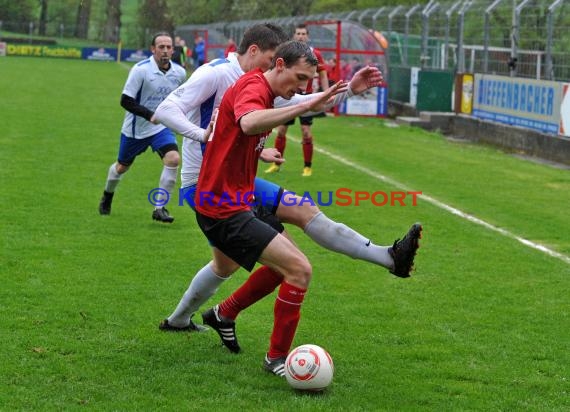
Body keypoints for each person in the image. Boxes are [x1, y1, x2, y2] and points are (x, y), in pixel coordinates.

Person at [153, 24, 421, 339]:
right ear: (254, 51)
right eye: (270, 59)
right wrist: (205, 137)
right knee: (227, 266)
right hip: (205, 184)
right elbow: (165, 110)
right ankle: (195, 317)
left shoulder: (263, 83)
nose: (274, 66)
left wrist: (347, 89)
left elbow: (301, 102)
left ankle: (388, 256)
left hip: (239, 182)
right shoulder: (217, 74)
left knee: (302, 212)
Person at [98, 32, 187, 223]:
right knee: (121, 167)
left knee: (173, 158)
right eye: (161, 47)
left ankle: (160, 208)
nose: (165, 50)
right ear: (153, 49)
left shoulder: (179, 73)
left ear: (173, 50)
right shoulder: (140, 70)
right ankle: (108, 194)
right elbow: (125, 100)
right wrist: (150, 115)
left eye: (168, 47)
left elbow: (181, 99)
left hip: (161, 129)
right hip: (135, 130)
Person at [265, 23, 329, 177]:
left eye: (303, 34)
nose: (301, 36)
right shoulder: (289, 53)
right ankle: (276, 163)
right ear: (294, 35)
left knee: (306, 132)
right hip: (289, 95)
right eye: (298, 33)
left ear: (308, 36)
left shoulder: (316, 54)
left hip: (307, 98)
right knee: (281, 130)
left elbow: (323, 73)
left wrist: (326, 92)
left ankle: (307, 167)